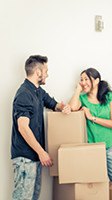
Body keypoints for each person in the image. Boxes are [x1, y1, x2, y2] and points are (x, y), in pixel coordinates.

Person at [11, 55, 71, 200]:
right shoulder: (24, 94)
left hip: (34, 157)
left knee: (33, 197)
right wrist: (42, 153)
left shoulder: (38, 92)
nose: (47, 74)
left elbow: (53, 104)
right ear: (38, 72)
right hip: (25, 158)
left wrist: (64, 107)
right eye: (46, 70)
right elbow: (23, 128)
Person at [69, 67, 112, 183]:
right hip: (92, 148)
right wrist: (78, 90)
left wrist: (91, 118)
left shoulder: (109, 96)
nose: (83, 83)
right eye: (81, 80)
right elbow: (72, 107)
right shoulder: (82, 98)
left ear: (96, 80)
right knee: (96, 185)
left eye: (86, 79)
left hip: (109, 147)